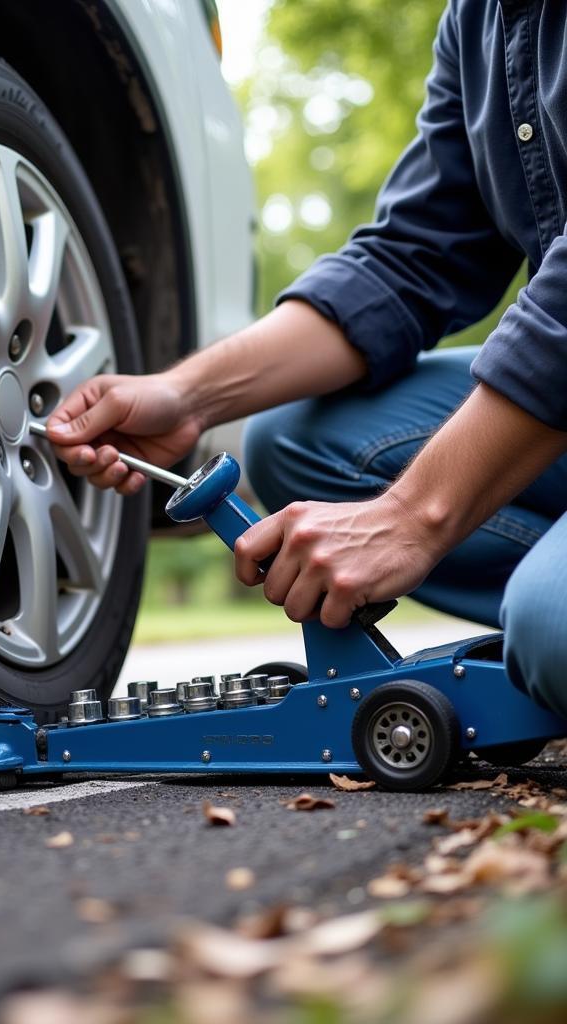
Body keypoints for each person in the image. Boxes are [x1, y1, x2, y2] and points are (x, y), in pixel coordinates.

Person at [43, 0, 567, 719]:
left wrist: (415, 515)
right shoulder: (482, 21)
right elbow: (411, 260)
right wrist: (186, 396)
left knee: (552, 632)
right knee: (291, 436)